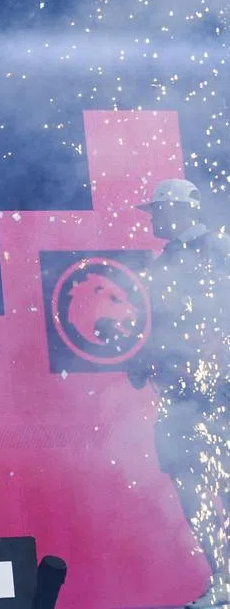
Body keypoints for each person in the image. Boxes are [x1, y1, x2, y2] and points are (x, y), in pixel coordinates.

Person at [127, 178, 230, 608]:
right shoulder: (165, 261)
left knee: (223, 485)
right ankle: (223, 580)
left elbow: (214, 318)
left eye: (160, 209)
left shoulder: (216, 252)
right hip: (181, 397)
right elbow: (165, 324)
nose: (155, 218)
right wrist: (142, 356)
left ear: (184, 210)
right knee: (190, 490)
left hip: (217, 393)